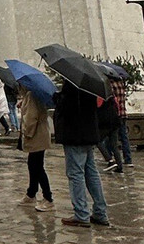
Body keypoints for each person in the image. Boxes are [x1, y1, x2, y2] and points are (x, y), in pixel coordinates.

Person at [54, 81, 109, 228]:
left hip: (75, 134)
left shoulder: (72, 84)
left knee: (76, 174)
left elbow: (67, 107)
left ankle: (81, 214)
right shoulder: (90, 84)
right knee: (91, 172)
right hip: (89, 132)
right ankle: (100, 212)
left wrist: (57, 97)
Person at [17, 86, 54, 211]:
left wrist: (26, 133)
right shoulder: (33, 94)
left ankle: (48, 197)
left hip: (36, 135)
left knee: (37, 167)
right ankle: (31, 193)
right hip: (40, 134)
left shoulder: (31, 95)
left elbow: (31, 117)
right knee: (33, 164)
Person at [109, 72, 133, 168]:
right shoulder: (121, 84)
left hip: (115, 115)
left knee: (111, 139)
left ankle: (111, 158)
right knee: (124, 138)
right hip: (123, 114)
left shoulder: (111, 85)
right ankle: (128, 159)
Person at [96, 91, 123, 173]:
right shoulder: (112, 97)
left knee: (97, 141)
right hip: (115, 122)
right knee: (114, 145)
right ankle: (119, 166)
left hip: (105, 123)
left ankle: (109, 160)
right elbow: (118, 108)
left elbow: (97, 107)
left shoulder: (99, 97)